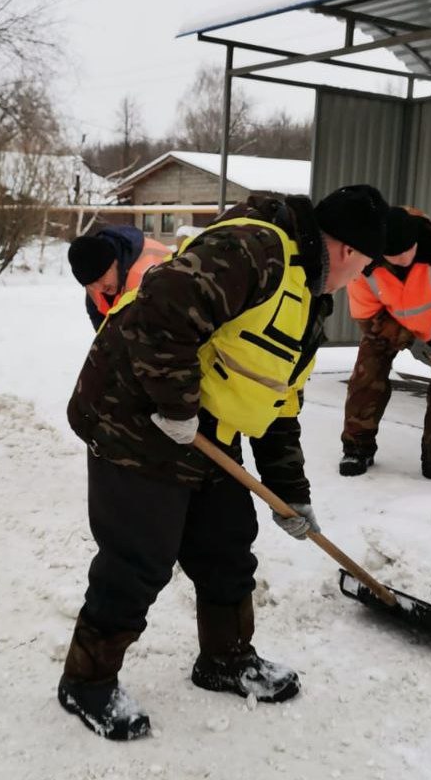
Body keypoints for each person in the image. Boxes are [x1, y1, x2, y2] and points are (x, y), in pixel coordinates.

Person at [59, 184, 389, 741]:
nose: (359, 279)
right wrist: (176, 406)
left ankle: (226, 659)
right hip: (136, 413)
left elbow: (279, 400)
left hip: (199, 423)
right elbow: (160, 312)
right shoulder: (256, 250)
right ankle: (86, 682)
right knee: (139, 558)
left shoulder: (308, 298)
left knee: (227, 543)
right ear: (350, 251)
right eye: (364, 268)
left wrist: (291, 490)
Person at [339, 206, 431, 487]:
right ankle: (357, 449)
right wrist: (407, 340)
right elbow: (367, 316)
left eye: (408, 250)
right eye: (393, 255)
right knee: (366, 380)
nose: (403, 259)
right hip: (385, 323)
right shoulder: (363, 257)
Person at [67, 225, 169, 329]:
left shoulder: (148, 275)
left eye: (100, 278)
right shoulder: (95, 286)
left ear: (114, 262)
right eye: (91, 284)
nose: (99, 288)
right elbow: (103, 330)